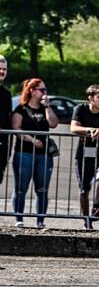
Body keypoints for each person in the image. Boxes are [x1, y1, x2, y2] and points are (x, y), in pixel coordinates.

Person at [10, 78, 59, 228]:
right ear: (32, 91)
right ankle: (19, 218)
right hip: (24, 152)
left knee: (42, 188)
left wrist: (47, 107)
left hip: (44, 154)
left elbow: (53, 123)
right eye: (41, 90)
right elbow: (16, 129)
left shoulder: (45, 108)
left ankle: (40, 220)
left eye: (45, 90)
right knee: (21, 187)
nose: (45, 93)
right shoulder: (21, 109)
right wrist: (31, 139)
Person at [70, 84, 99, 230]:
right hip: (84, 151)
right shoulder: (81, 108)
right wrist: (90, 130)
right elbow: (74, 127)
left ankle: (96, 205)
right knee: (84, 188)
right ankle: (86, 220)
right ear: (90, 98)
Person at [0, 55, 11, 185]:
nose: (2, 71)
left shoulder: (6, 94)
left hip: (2, 146)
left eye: (5, 69)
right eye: (0, 68)